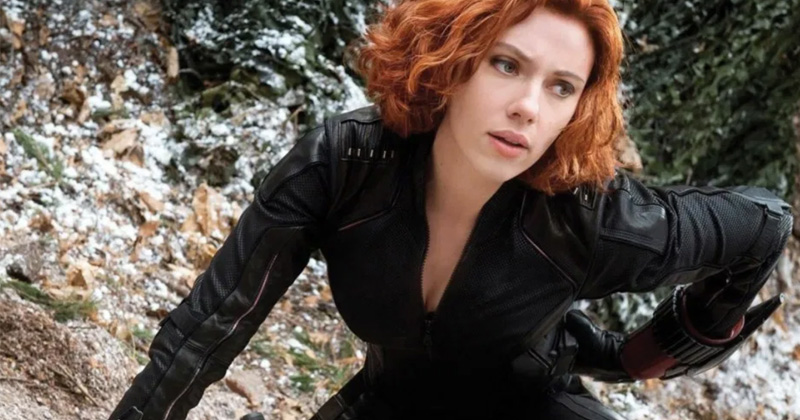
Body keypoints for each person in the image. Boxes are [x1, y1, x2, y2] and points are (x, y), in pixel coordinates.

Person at [108, 0, 793, 419]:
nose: (528, 106)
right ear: (453, 58)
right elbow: (208, 330)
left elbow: (765, 224)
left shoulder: (590, 219)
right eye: (506, 64)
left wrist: (643, 357)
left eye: (561, 87)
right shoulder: (344, 164)